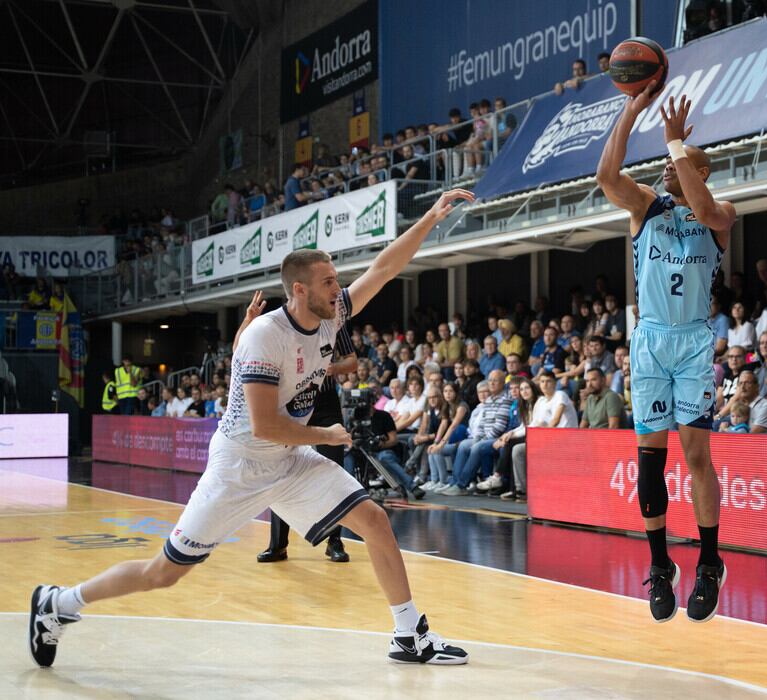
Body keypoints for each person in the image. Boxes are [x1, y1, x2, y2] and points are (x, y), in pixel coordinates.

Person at [27, 189, 475, 669]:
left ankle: (408, 635)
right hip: (240, 465)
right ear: (298, 290)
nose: (337, 288)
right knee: (163, 573)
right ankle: (58, 604)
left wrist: (430, 217)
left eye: (335, 280)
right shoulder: (266, 337)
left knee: (373, 520)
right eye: (327, 281)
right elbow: (265, 425)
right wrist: (326, 436)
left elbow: (383, 270)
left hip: (287, 459)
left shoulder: (331, 314)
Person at [596, 87, 734, 623]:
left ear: (699, 171)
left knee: (697, 457)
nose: (668, 172)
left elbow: (702, 206)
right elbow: (608, 177)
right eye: (669, 165)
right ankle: (659, 566)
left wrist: (676, 142)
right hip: (650, 341)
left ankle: (709, 562)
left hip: (693, 342)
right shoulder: (645, 208)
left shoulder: (720, 212)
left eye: (679, 167)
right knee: (648, 465)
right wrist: (631, 111)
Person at [251, 290, 354, 564]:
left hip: (325, 403)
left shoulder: (333, 324)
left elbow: (352, 361)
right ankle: (278, 544)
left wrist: (331, 369)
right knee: (280, 468)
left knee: (334, 472)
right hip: (293, 402)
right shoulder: (281, 330)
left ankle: (335, 542)